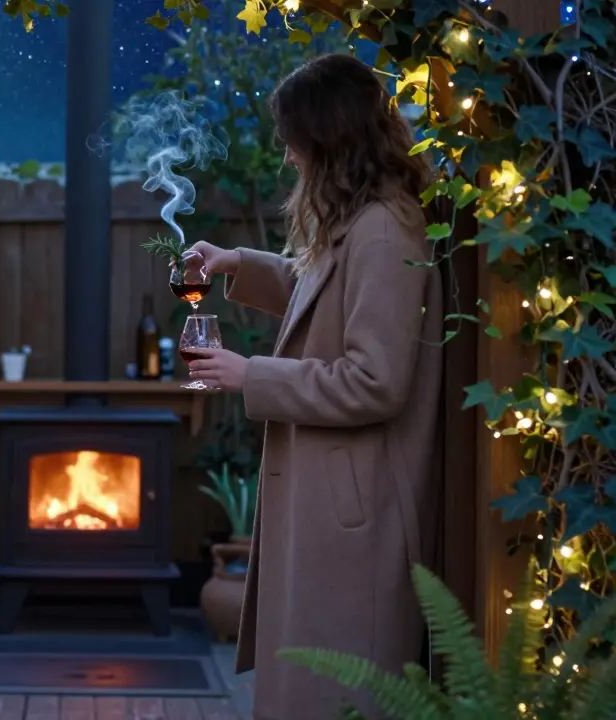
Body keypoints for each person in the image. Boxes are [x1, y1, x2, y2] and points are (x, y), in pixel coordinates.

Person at [183, 53, 443, 719]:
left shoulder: (387, 228)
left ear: (328, 136)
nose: (286, 154)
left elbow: (377, 380)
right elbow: (321, 288)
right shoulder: (360, 218)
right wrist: (239, 262)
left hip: (355, 515)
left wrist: (251, 375)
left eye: (292, 137)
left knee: (337, 693)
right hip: (330, 506)